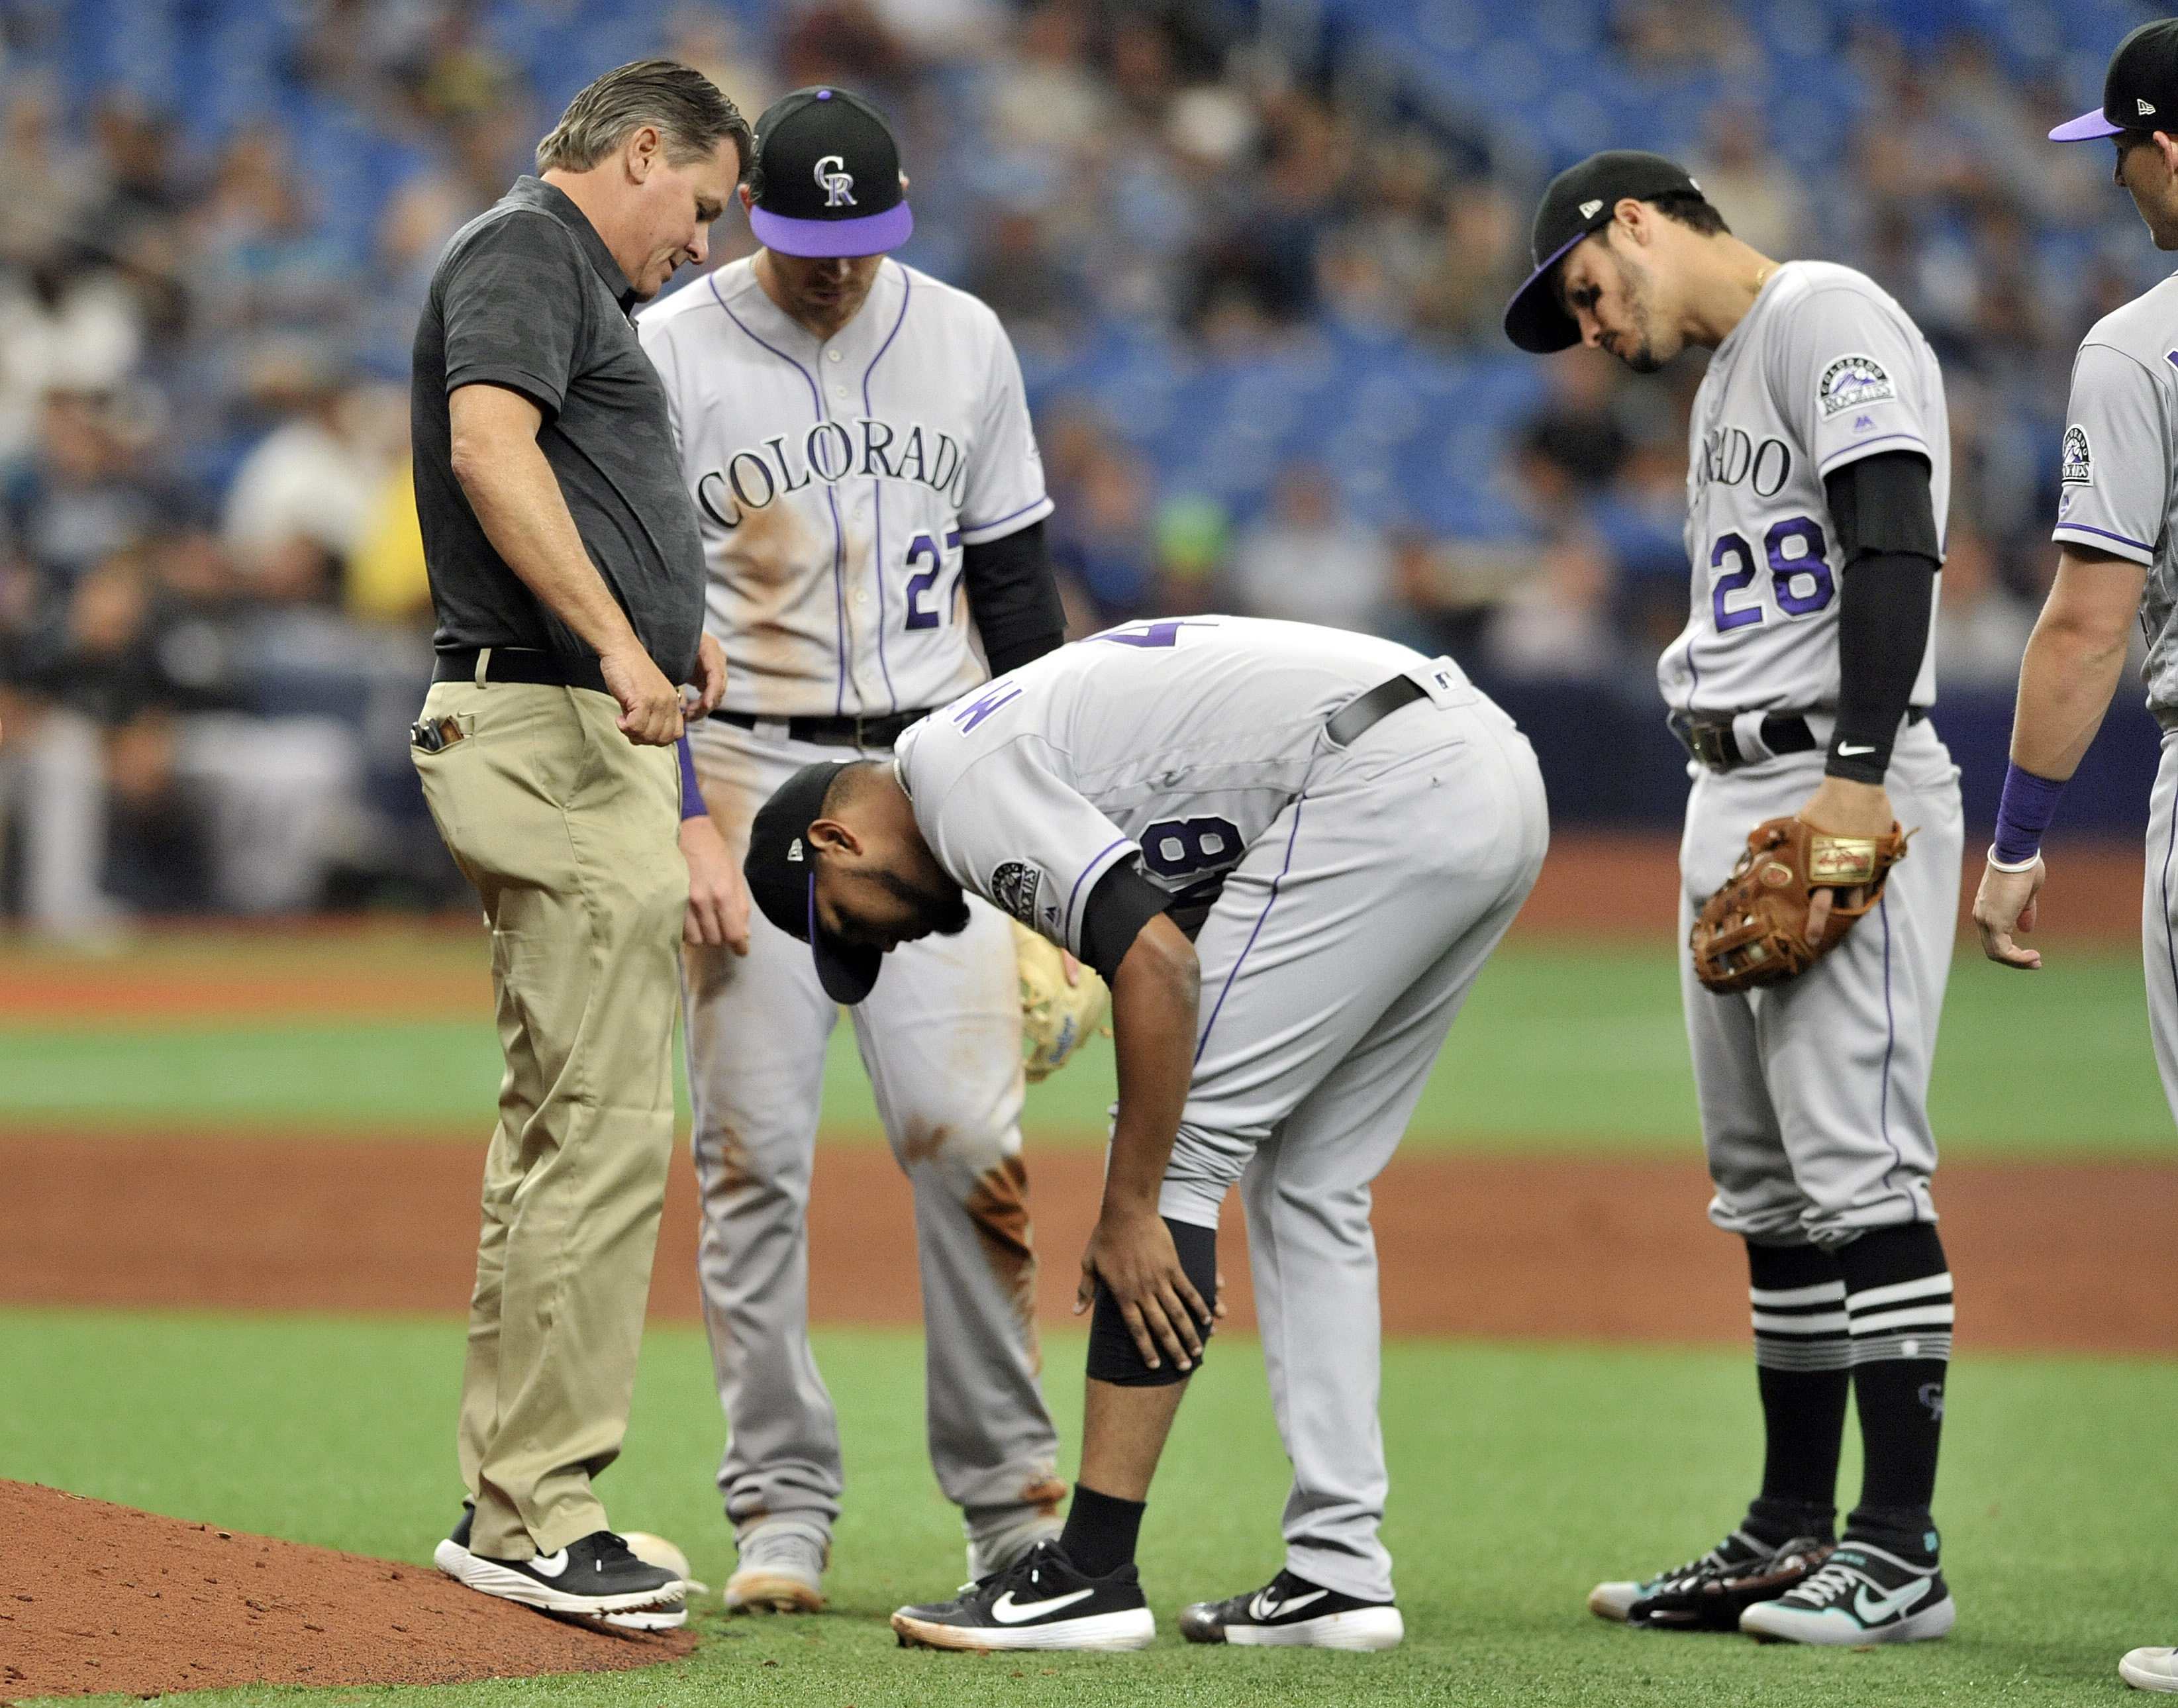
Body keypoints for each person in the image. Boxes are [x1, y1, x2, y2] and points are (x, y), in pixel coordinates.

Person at [741, 615, 1548, 1652]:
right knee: (1310, 1179)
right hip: (1474, 770)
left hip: (1384, 779)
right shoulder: (981, 757)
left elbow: (1160, 966)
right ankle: (1339, 1572)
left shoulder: (949, 770)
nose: (886, 942)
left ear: (835, 839)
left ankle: (1091, 1572)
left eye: (850, 921)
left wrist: (1129, 1210)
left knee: (1177, 1149)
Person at [1505, 151, 1963, 1644]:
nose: (1586, 327)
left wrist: (1853, 771)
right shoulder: (1717, 391)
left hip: (1838, 775)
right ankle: (1787, 1529)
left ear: (1634, 222)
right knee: (1767, 1192)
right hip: (1727, 779)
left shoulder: (1828, 313)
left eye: (1581, 291)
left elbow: (1893, 533)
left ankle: (1898, 1550)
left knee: (1857, 1171)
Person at [635, 83, 1071, 1611]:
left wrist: (1038, 844)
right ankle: (779, 1507)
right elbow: (635, 612)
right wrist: (684, 812)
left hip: (935, 764)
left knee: (968, 1148)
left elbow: (1019, 597)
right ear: (752, 207)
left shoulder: (961, 338)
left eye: (862, 239)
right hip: (746, 748)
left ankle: (1014, 1509)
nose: (837, 267)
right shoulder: (669, 350)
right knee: (749, 1160)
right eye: (810, 238)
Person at [408, 60, 748, 1629]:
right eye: (701, 204)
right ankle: (545, 1509)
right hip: (547, 731)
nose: (701, 243)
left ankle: (507, 1497)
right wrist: (625, 640)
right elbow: (491, 448)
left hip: (559, 726)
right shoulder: (527, 249)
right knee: (606, 1127)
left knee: (561, 1125)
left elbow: (563, 469)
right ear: (638, 153)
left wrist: (671, 623)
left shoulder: (560, 272)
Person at [1977, 19, 2178, 1693]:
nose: (2112, 178)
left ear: (2167, 149)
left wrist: (2020, 836)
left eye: (2116, 149)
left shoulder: (2141, 344)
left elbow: (2087, 617)